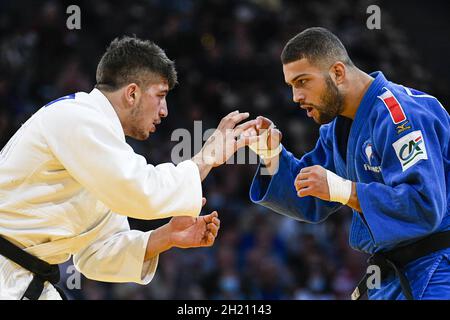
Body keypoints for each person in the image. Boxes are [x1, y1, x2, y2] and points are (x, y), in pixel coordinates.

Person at [0, 36, 256, 300]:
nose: (165, 110)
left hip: (22, 279)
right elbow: (141, 190)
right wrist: (206, 158)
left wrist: (166, 236)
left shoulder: (101, 141)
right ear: (132, 93)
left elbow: (96, 254)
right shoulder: (77, 118)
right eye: (161, 96)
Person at [245, 27, 450, 300]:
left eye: (303, 81)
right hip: (393, 277)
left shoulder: (401, 115)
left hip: (438, 270)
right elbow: (308, 197)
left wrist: (344, 190)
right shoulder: (336, 129)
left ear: (338, 73)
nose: (296, 97)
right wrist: (270, 155)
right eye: (291, 86)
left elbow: (424, 205)